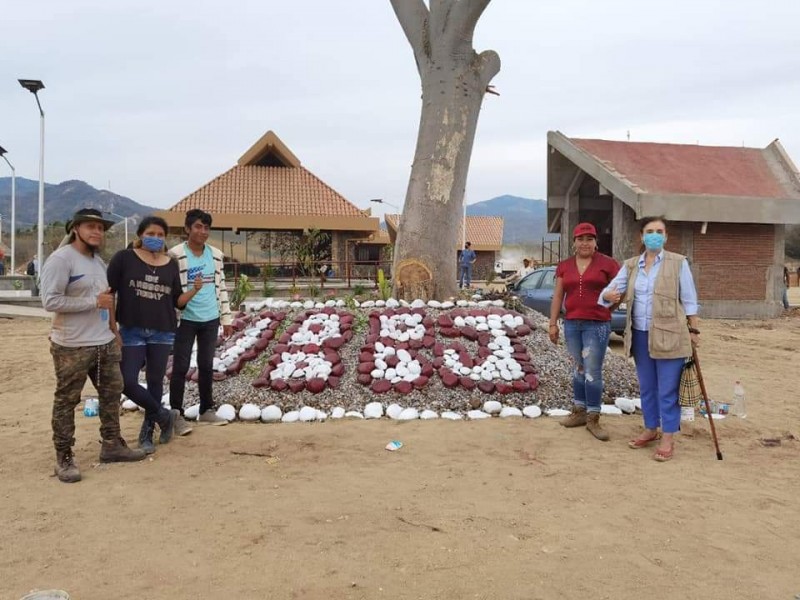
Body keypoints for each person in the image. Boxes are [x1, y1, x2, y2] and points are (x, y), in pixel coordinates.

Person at [40, 208, 146, 483]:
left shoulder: (99, 262)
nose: (97, 232)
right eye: (90, 227)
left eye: (100, 228)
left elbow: (107, 299)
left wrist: (114, 330)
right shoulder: (61, 260)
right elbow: (50, 301)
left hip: (104, 342)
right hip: (72, 346)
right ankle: (63, 456)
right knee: (67, 400)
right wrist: (92, 303)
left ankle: (111, 444)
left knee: (112, 395)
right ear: (75, 229)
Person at [599, 216, 699, 462]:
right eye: (650, 231)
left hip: (670, 335)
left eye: (659, 231)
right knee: (647, 387)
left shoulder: (678, 263)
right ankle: (650, 428)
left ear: (666, 236)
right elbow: (611, 290)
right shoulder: (632, 265)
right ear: (641, 237)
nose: (655, 235)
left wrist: (694, 331)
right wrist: (608, 295)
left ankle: (668, 436)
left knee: (667, 389)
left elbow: (689, 299)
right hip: (640, 336)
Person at [107, 216, 203, 453]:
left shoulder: (170, 263)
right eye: (151, 233)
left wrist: (195, 290)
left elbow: (177, 302)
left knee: (154, 382)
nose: (156, 238)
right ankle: (164, 415)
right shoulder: (123, 258)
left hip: (162, 331)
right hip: (131, 331)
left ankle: (148, 431)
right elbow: (108, 295)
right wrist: (112, 329)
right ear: (140, 234)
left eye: (161, 235)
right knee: (127, 382)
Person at [549, 223, 620, 441]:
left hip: (596, 325)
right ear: (574, 242)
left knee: (592, 371)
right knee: (578, 368)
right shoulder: (565, 265)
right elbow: (558, 295)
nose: (585, 243)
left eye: (589, 238)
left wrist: (609, 308)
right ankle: (579, 411)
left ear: (596, 242)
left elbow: (620, 291)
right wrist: (552, 323)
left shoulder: (608, 264)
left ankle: (593, 417)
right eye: (581, 239)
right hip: (571, 324)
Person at [169, 209, 233, 431]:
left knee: (206, 366)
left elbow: (221, 286)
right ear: (187, 229)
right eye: (197, 226)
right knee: (180, 366)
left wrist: (226, 317)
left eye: (206, 228)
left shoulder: (215, 255)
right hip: (185, 319)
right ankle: (176, 414)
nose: (202, 231)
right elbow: (172, 290)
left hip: (210, 318)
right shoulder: (175, 255)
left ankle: (206, 410)